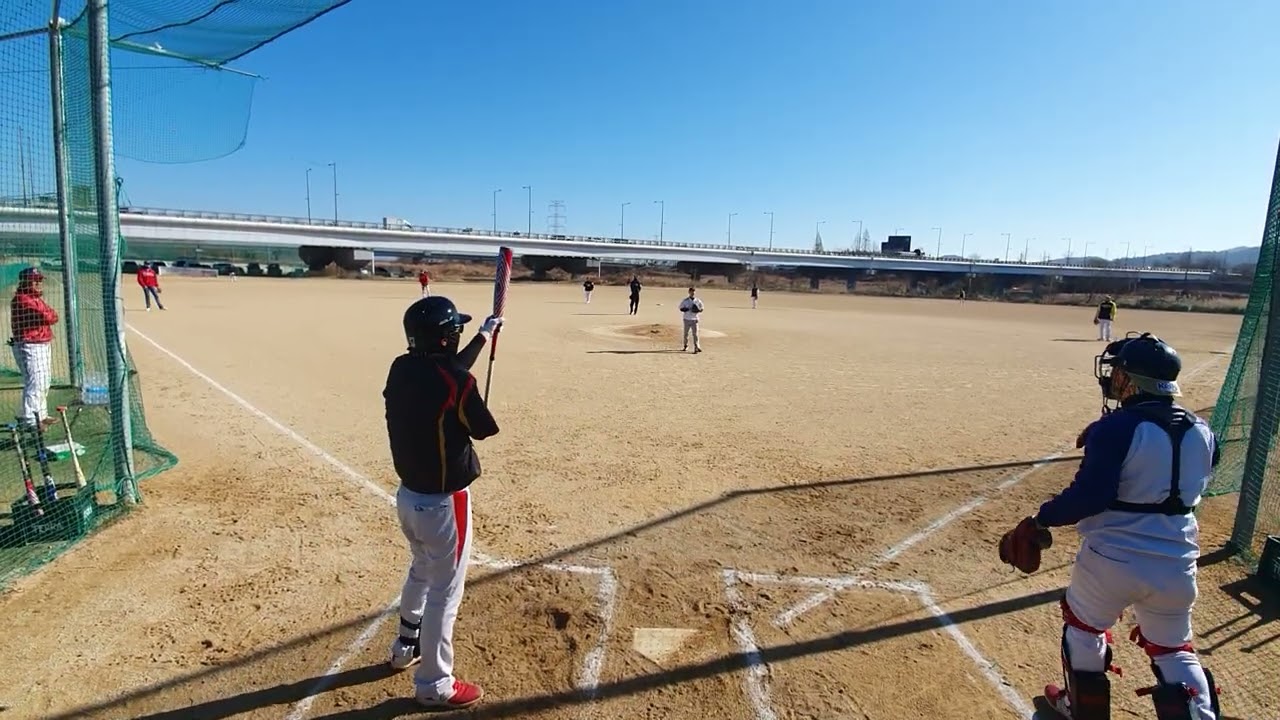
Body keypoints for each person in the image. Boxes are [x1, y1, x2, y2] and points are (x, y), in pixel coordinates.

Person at [998, 333, 1222, 720]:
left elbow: (1089, 497)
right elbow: (1175, 463)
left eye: (1119, 372)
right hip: (1176, 562)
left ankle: (1081, 708)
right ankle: (1201, 715)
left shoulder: (1117, 428)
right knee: (1173, 650)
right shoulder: (1203, 431)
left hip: (1110, 559)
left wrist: (1041, 519)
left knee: (1083, 629)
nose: (1113, 377)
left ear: (1132, 381)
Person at [383, 296, 504, 710]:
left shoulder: (401, 369)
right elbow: (484, 428)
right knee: (445, 592)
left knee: (420, 568)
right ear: (446, 338)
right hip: (444, 503)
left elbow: (447, 374)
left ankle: (404, 644)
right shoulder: (456, 381)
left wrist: (483, 336)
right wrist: (473, 388)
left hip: (408, 497)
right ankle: (435, 683)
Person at [8, 267, 59, 428]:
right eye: (34, 280)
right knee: (36, 383)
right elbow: (48, 316)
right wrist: (48, 314)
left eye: (39, 280)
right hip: (30, 345)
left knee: (43, 381)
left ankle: (41, 415)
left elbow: (53, 315)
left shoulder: (34, 298)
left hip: (40, 344)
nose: (38, 283)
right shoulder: (23, 299)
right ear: (25, 281)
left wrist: (48, 314)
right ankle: (30, 419)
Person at [678, 286, 704, 353]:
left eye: (693, 292)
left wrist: (697, 310)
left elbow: (702, 308)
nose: (692, 293)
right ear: (689, 292)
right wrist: (687, 309)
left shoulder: (698, 301)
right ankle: (685, 345)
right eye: (691, 292)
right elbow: (681, 308)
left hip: (695, 319)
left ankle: (696, 347)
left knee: (695, 334)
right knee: (686, 334)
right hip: (687, 319)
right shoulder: (685, 301)